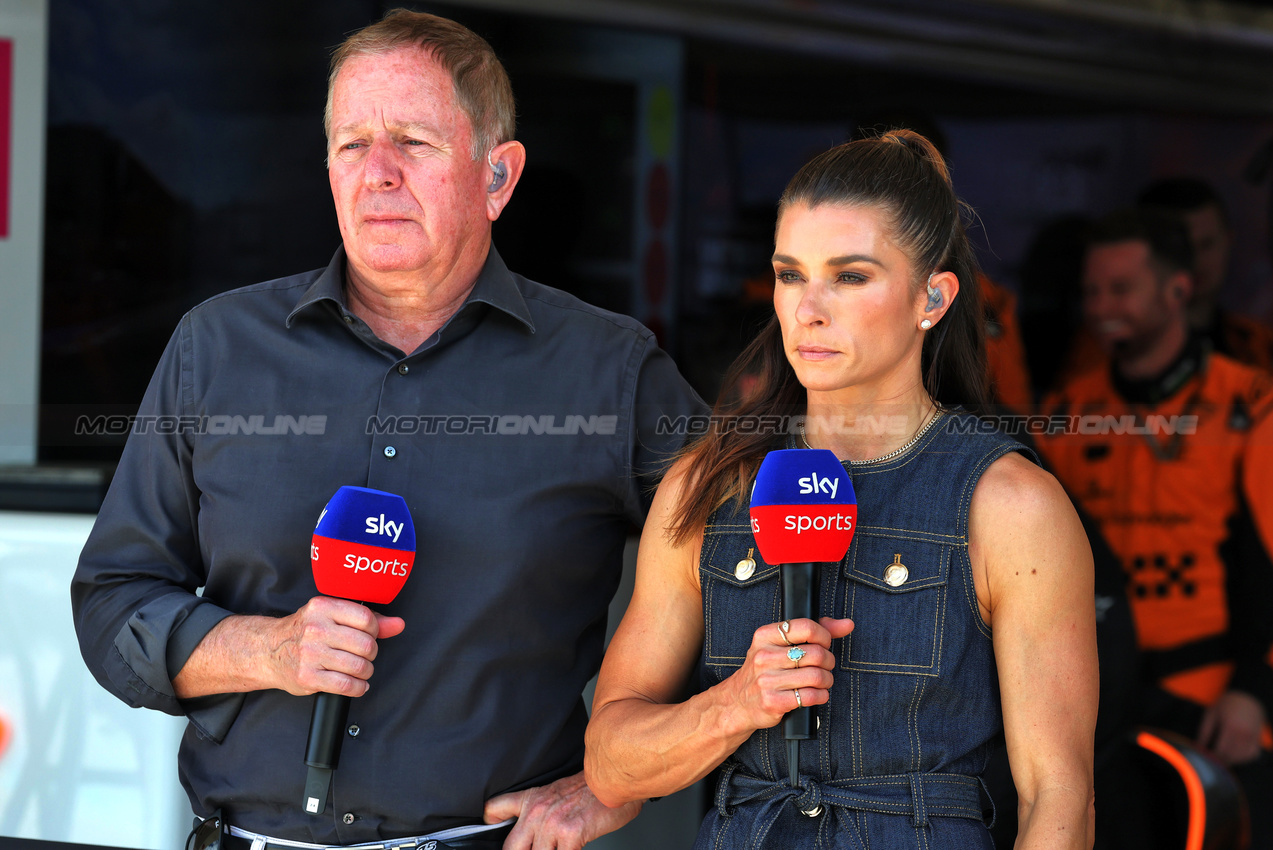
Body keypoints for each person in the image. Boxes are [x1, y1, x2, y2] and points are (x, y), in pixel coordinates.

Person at [70, 10, 703, 850]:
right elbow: (112, 601)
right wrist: (266, 650)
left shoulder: (610, 375)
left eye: (412, 141)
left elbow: (754, 580)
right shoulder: (216, 348)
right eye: (351, 144)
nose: (377, 173)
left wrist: (618, 781)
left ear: (498, 175)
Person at [584, 131, 1098, 848]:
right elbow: (610, 767)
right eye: (790, 275)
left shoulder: (1009, 505)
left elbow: (1058, 798)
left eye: (850, 277)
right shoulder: (708, 485)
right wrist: (737, 702)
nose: (808, 309)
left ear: (932, 297)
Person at [1038, 207, 1273, 848]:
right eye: (1091, 290)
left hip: (1213, 706)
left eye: (1120, 289)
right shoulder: (1066, 411)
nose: (1100, 306)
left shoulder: (1251, 405)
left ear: (1178, 290)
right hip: (1097, 704)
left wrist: (1255, 692)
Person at [1138, 176, 1273, 372]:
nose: (1196, 260)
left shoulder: (1260, 345)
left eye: (1207, 244)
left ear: (1228, 241)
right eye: (1183, 248)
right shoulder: (1113, 350)